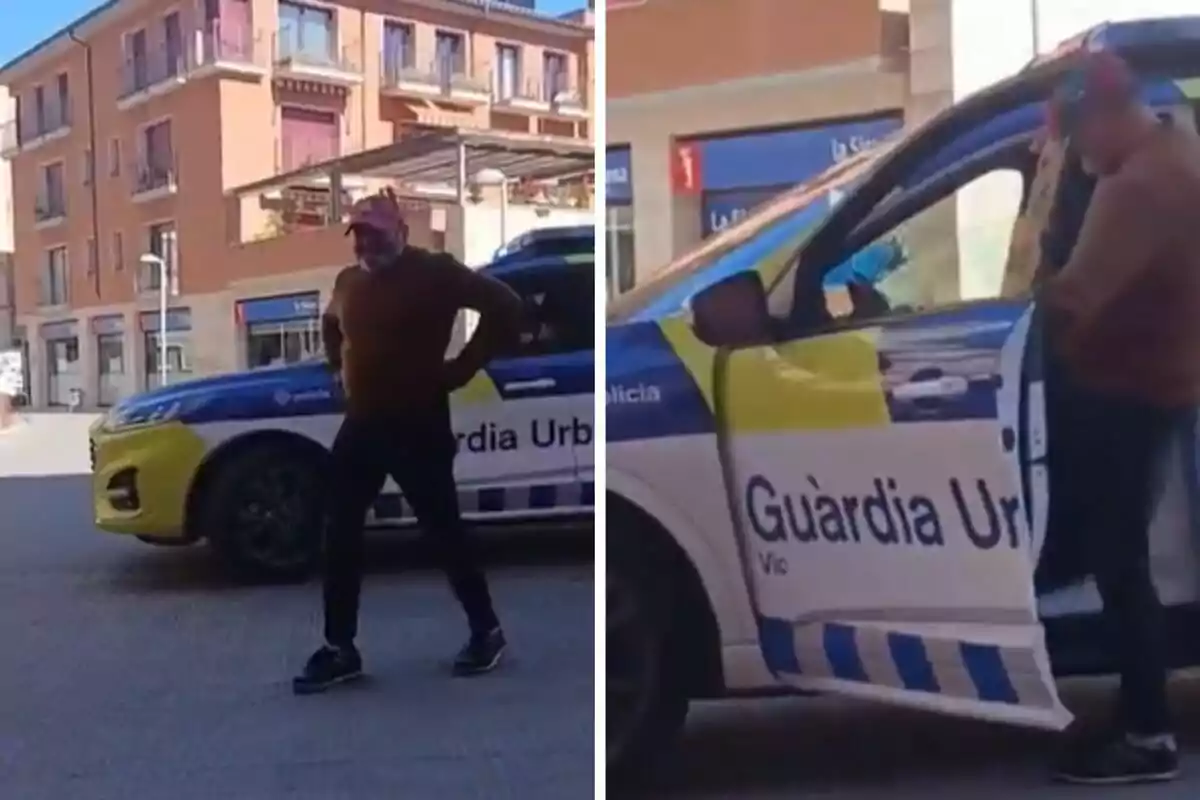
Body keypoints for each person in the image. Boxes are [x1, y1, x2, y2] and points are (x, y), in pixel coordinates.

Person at [1037, 51, 1200, 784]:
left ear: (1102, 117)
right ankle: (1141, 711)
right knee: (1123, 558)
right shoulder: (1176, 141)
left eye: (1077, 135)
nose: (1077, 152)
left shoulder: (1134, 188)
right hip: (1162, 383)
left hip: (1132, 391)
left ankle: (1147, 735)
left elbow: (1073, 298)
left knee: (1121, 565)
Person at [293, 190, 524, 695]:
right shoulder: (349, 281)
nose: (367, 244)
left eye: (376, 233)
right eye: (359, 235)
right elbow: (332, 322)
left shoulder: (435, 271)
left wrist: (461, 369)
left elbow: (506, 307)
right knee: (340, 531)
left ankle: (487, 631)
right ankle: (340, 648)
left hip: (418, 422)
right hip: (363, 424)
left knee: (443, 530)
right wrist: (338, 366)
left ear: (401, 230)